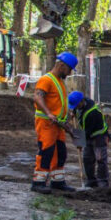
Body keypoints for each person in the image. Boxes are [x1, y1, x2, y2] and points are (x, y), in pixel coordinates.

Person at [31, 52, 77, 193]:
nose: (69, 73)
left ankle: (57, 181)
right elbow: (38, 97)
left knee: (60, 153)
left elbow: (59, 105)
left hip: (57, 126)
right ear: (61, 65)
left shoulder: (59, 82)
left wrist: (66, 125)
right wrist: (49, 113)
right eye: (69, 69)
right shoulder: (47, 80)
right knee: (46, 151)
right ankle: (38, 182)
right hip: (46, 124)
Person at [68, 91, 110, 188]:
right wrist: (73, 112)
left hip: (99, 136)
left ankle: (102, 182)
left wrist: (80, 142)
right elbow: (76, 110)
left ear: (82, 101)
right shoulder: (80, 106)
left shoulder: (92, 112)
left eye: (76, 105)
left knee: (100, 159)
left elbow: (88, 132)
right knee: (87, 159)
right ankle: (91, 181)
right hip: (88, 135)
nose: (75, 107)